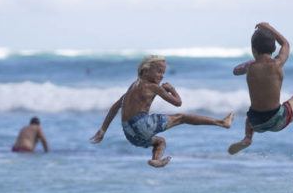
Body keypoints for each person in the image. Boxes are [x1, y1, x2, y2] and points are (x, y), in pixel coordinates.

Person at [90, 55, 234, 167]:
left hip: (129, 133)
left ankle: (155, 160)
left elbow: (115, 107)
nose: (162, 75)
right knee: (181, 118)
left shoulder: (132, 87)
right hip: (141, 124)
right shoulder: (153, 86)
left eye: (163, 72)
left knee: (160, 142)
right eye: (159, 71)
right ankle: (221, 122)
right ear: (146, 70)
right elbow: (178, 103)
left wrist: (103, 130)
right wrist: (172, 89)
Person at [228, 22, 293, 155]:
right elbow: (286, 44)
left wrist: (251, 62)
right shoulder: (278, 64)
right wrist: (269, 28)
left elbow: (235, 71)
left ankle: (247, 138)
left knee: (249, 116)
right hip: (277, 120)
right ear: (274, 48)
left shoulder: (250, 67)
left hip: (256, 122)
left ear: (253, 50)